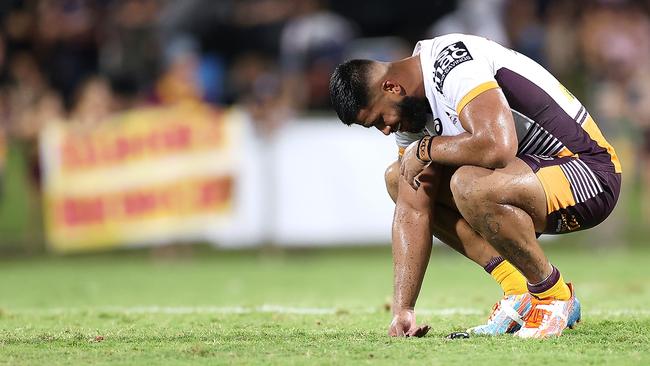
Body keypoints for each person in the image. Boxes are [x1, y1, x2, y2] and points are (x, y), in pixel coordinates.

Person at [329, 33, 621, 339]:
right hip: (529, 178)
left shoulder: (452, 63)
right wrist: (404, 308)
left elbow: (497, 147)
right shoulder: (410, 107)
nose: (386, 130)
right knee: (400, 178)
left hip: (589, 173)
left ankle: (553, 296)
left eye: (380, 120)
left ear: (392, 87)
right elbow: (412, 208)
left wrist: (427, 148)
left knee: (469, 184)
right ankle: (518, 289)